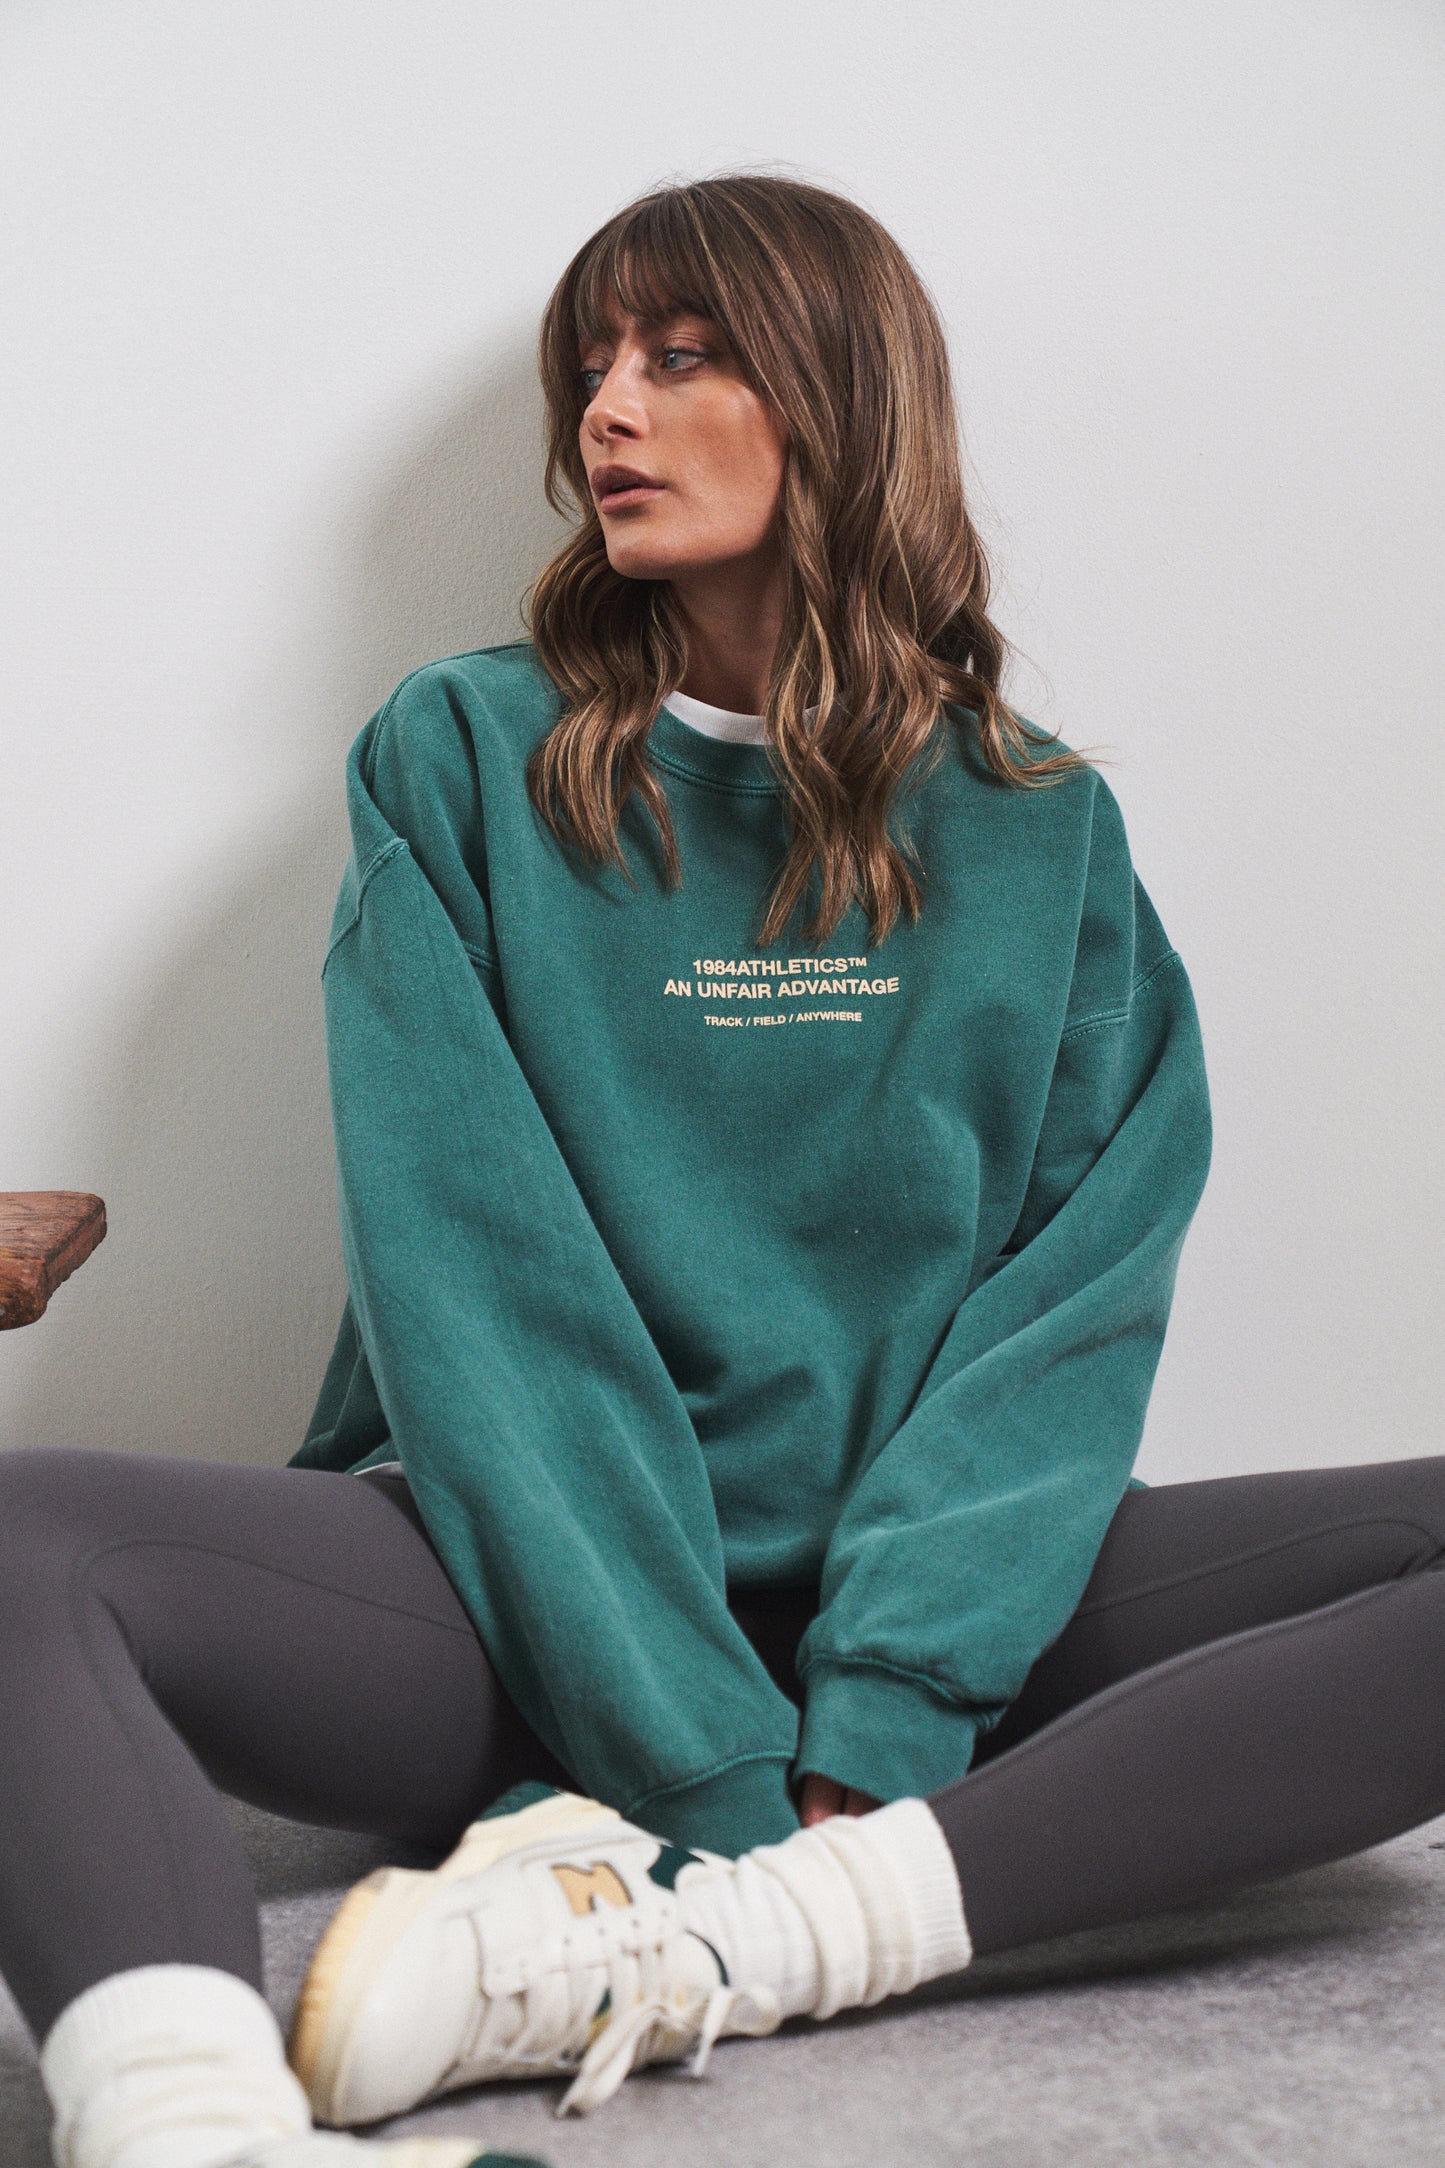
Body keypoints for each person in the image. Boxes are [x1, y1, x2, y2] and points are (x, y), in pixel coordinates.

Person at [5, 175, 1445, 2168]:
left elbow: (1068, 1311)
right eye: (593, 365)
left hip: (927, 1608)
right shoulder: (462, 757)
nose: (608, 410)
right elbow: (480, 1283)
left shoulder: (1040, 830)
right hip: (514, 1599)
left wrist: (892, 1699)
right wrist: (699, 1751)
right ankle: (193, 2140)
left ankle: (756, 1942)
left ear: (837, 396)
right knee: (23, 1540)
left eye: (682, 356)